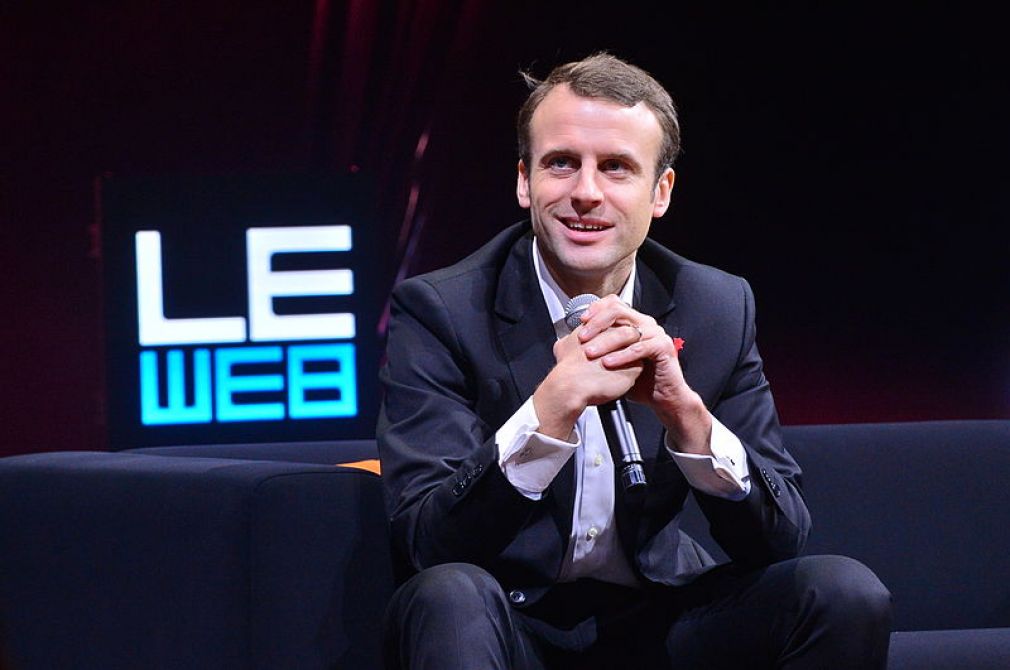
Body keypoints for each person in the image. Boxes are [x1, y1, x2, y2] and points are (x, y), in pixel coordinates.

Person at [377, 53, 892, 669]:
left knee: (840, 592)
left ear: (660, 192)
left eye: (616, 167)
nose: (585, 193)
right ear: (524, 181)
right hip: (506, 623)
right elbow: (427, 544)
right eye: (561, 163)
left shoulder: (716, 307)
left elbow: (780, 541)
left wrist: (686, 418)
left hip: (660, 619)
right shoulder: (441, 310)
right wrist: (547, 412)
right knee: (448, 595)